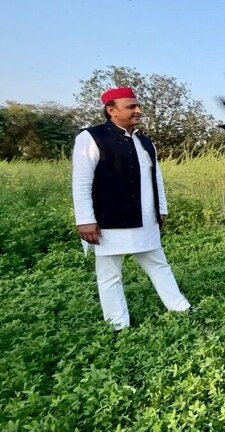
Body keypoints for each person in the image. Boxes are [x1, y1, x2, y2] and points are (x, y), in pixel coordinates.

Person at [71, 87, 190, 331]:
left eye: (138, 106)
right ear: (111, 110)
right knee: (110, 274)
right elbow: (81, 181)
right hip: (108, 218)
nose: (138, 110)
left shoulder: (144, 141)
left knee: (158, 264)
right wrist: (85, 220)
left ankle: (180, 308)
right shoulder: (91, 137)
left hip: (145, 216)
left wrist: (161, 209)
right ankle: (118, 325)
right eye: (131, 106)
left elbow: (156, 178)